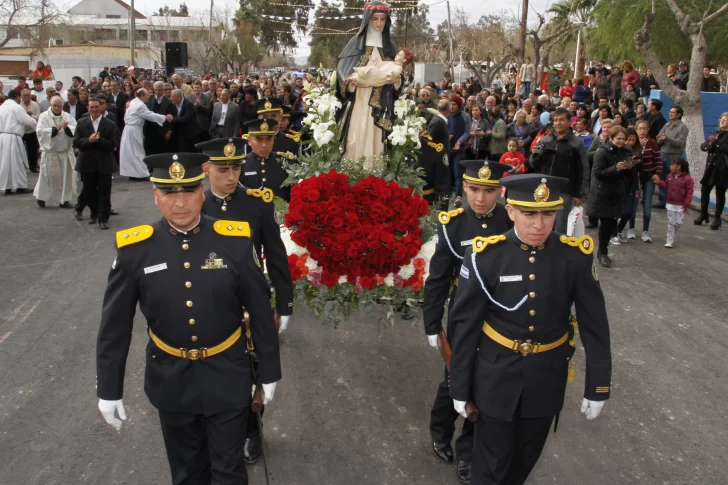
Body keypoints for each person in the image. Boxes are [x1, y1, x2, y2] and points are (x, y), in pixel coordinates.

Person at [95, 152, 281, 485]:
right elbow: (114, 327)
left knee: (228, 472)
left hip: (228, 373)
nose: (180, 203)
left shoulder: (234, 241)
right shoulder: (135, 250)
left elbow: (260, 310)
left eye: (188, 191)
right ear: (155, 196)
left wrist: (270, 371)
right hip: (171, 380)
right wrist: (109, 389)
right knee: (187, 472)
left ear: (201, 192)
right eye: (169, 193)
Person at [449, 173, 612, 485]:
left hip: (546, 379)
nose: (539, 224)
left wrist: (598, 385)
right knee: (489, 466)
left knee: (523, 462)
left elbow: (595, 326)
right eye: (529, 214)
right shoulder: (486, 256)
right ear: (510, 210)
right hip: (495, 376)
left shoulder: (574, 256)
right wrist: (459, 385)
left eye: (548, 214)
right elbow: (465, 325)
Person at [197, 137, 293, 464]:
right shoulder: (195, 205)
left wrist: (285, 303)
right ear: (205, 169)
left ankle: (252, 429)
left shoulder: (257, 203)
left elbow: (276, 257)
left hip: (249, 306)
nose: (231, 176)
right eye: (222, 170)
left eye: (236, 167)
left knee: (252, 373)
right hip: (210, 307)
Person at [424, 160, 513, 484]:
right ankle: (440, 431)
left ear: (499, 192)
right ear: (464, 188)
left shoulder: (511, 220)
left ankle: (468, 451)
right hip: (463, 316)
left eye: (489, 191)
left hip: (502, 318)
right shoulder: (453, 225)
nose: (480, 198)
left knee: (486, 387)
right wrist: (432, 324)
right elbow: (437, 279)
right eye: (475, 190)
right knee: (455, 378)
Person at [336, 1, 402, 165]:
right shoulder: (355, 44)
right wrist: (353, 82)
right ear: (367, 19)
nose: (379, 24)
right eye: (375, 19)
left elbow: (398, 76)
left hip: (383, 104)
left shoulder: (390, 45)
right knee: (356, 137)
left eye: (382, 19)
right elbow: (343, 73)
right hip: (359, 102)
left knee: (378, 141)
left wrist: (396, 81)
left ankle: (377, 177)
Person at [529, 107, 588, 234]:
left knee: (561, 227)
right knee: (542, 224)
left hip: (564, 191)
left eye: (561, 120)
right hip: (544, 189)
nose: (558, 123)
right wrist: (534, 155)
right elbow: (533, 164)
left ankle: (559, 251)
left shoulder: (576, 143)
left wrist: (579, 193)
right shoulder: (544, 140)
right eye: (555, 120)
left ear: (569, 122)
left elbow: (583, 168)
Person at [589, 125, 634, 267]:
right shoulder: (602, 152)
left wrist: (630, 167)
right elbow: (598, 173)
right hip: (603, 192)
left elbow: (631, 175)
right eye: (618, 138)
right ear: (611, 138)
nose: (621, 141)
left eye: (623, 139)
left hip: (618, 191)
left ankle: (604, 249)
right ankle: (603, 252)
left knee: (612, 220)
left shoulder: (628, 151)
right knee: (606, 222)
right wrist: (615, 168)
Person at [73, 97, 120, 230]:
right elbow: (76, 142)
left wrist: (99, 141)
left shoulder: (110, 124)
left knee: (105, 192)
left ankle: (103, 218)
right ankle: (94, 212)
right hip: (87, 163)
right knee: (89, 191)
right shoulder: (82, 123)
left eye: (96, 107)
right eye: (91, 107)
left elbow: (114, 144)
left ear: (101, 108)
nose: (94, 109)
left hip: (104, 163)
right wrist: (88, 140)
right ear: (88, 108)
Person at [33, 96, 77, 208]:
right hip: (50, 153)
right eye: (54, 106)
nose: (57, 108)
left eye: (59, 106)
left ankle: (64, 200)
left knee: (65, 177)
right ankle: (41, 197)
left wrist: (66, 128)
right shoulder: (44, 116)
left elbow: (75, 129)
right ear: (50, 105)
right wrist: (56, 129)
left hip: (64, 153)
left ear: (63, 106)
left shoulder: (67, 116)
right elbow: (40, 132)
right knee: (45, 177)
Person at [120, 89, 170, 180]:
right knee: (137, 151)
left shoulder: (133, 101)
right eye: (147, 94)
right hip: (134, 129)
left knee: (132, 151)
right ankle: (142, 174)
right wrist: (165, 118)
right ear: (142, 95)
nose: (149, 96)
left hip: (130, 129)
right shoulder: (140, 105)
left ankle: (134, 173)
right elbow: (150, 115)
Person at [628, 120, 662, 241]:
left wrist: (657, 173)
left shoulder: (652, 143)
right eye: (640, 129)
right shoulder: (632, 143)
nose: (642, 131)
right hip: (635, 177)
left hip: (648, 177)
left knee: (647, 205)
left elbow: (658, 160)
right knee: (633, 204)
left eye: (644, 129)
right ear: (636, 129)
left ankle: (645, 231)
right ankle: (631, 229)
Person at [0, 90, 37, 194]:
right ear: (17, 97)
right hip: (12, 138)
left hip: (2, 137)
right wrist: (38, 127)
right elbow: (27, 121)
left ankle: (7, 186)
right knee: (17, 162)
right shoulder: (16, 107)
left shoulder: (1, 107)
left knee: (5, 163)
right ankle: (20, 186)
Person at [695, 113, 728, 229]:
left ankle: (717, 218)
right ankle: (703, 213)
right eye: (721, 119)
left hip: (722, 168)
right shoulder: (716, 133)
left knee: (720, 192)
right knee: (705, 190)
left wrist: (717, 143)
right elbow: (703, 147)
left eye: (725, 120)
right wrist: (710, 142)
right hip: (710, 167)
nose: (722, 121)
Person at [653, 159, 694, 247]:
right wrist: (659, 182)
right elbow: (666, 185)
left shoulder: (688, 179)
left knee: (678, 223)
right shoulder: (669, 176)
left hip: (681, 205)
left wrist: (687, 203)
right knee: (671, 223)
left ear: (678, 167)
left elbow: (689, 192)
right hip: (670, 204)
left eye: (672, 165)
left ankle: (671, 234)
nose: (670, 167)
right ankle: (669, 240)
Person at [656, 105, 689, 208]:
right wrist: (660, 140)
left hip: (674, 157)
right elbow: (659, 137)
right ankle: (662, 201)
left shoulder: (683, 127)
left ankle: (672, 201)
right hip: (663, 154)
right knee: (662, 178)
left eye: (673, 112)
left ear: (679, 114)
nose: (670, 114)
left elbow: (680, 142)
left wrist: (667, 139)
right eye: (670, 112)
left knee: (674, 180)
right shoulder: (666, 125)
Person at [144, 81, 175, 156]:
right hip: (149, 130)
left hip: (162, 131)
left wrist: (169, 131)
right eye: (156, 90)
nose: (157, 92)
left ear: (163, 90)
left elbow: (172, 118)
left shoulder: (168, 102)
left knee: (161, 152)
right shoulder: (149, 98)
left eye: (160, 90)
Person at [20, 88, 41, 173]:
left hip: (32, 130)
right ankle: (21, 166)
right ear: (21, 96)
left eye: (28, 95)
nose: (26, 97)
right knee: (20, 149)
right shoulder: (19, 105)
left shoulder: (35, 105)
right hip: (21, 130)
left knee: (32, 149)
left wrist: (31, 116)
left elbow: (38, 116)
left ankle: (33, 166)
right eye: (24, 96)